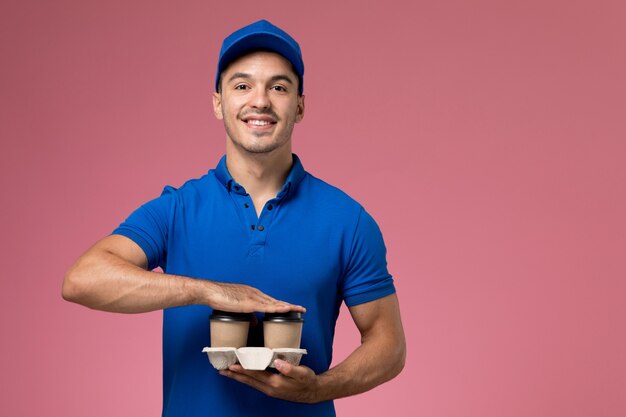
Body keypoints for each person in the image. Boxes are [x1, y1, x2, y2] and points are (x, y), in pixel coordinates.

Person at [63, 19, 406, 417]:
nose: (259, 101)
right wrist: (210, 291)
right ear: (217, 102)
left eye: (278, 87)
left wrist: (318, 389)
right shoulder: (177, 209)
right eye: (242, 86)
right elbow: (81, 280)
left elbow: (389, 345)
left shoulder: (348, 220)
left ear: (299, 105)